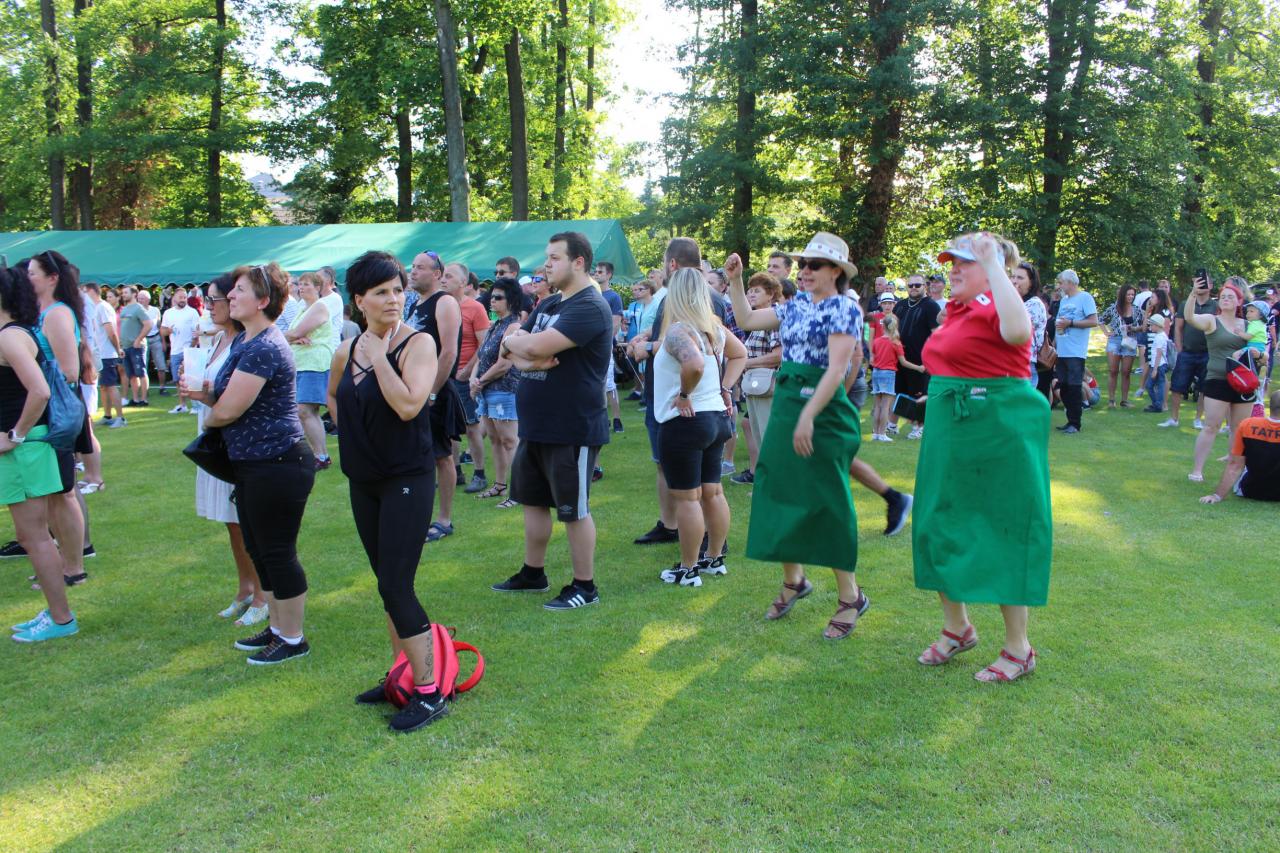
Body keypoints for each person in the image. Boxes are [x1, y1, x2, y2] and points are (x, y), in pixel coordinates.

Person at [913, 232, 1049, 683]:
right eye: (951, 261)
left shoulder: (999, 303)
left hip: (997, 431)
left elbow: (1019, 333)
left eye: (964, 262)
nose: (953, 268)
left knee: (1004, 529)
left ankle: (1019, 648)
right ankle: (957, 627)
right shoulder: (957, 309)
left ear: (991, 268)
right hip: (953, 427)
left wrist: (993, 264)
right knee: (938, 524)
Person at [726, 232, 870, 640]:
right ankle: (794, 580)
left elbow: (837, 369)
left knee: (827, 499)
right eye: (802, 264)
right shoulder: (797, 304)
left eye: (814, 265)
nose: (804, 271)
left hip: (821, 409)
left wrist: (809, 415)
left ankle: (850, 597)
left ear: (836, 271)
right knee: (777, 488)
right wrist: (735, 281)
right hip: (790, 400)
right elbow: (747, 320)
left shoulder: (845, 307)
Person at [329, 251, 449, 732]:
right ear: (359, 300)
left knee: (397, 584)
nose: (393, 299)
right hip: (365, 480)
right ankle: (402, 674)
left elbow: (408, 405)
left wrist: (379, 355)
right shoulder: (346, 350)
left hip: (406, 479)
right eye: (381, 292)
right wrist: (355, 436)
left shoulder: (418, 343)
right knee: (385, 584)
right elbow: (335, 396)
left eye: (398, 290)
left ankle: (429, 692)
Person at [185, 262, 316, 665]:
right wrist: (207, 397)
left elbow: (231, 410)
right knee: (259, 549)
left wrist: (211, 416)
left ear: (262, 300)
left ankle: (293, 638)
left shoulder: (264, 347)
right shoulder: (246, 340)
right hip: (253, 463)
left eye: (240, 290)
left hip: (278, 462)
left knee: (277, 552)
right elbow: (227, 400)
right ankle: (277, 628)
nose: (231, 295)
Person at [489, 231, 613, 610]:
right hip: (537, 424)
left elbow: (534, 345)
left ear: (579, 262)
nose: (546, 264)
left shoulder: (589, 306)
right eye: (547, 257)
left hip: (572, 426)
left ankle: (585, 587)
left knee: (573, 510)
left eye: (554, 257)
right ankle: (533, 573)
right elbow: (512, 346)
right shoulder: (550, 303)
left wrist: (523, 348)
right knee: (532, 501)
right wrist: (521, 353)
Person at [650, 268, 747, 587]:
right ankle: (713, 559)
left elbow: (694, 364)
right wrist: (725, 387)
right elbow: (740, 354)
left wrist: (683, 395)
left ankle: (688, 568)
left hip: (686, 422)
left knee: (688, 498)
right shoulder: (713, 328)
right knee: (713, 491)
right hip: (716, 418)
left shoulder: (679, 330)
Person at [2, 267, 80, 643]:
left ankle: (62, 619)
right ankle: (56, 613)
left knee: (35, 537)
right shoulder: (15, 332)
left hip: (26, 449)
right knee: (31, 534)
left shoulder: (9, 337)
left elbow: (41, 391)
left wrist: (15, 435)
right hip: (28, 448)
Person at [193, 275, 268, 627]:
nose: (210, 307)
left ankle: (263, 595)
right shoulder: (219, 339)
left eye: (215, 300)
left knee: (245, 523)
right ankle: (245, 588)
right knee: (231, 522)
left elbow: (238, 398)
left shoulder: (246, 342)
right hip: (215, 434)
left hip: (233, 439)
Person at [25, 253, 92, 579]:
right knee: (51, 491)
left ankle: (73, 566)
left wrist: (32, 378)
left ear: (52, 278)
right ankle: (60, 561)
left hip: (58, 409)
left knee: (63, 492)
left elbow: (69, 371)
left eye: (33, 273)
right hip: (46, 407)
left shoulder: (58, 314)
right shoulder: (42, 312)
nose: (27, 278)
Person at [406, 250, 466, 543]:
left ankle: (444, 520)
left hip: (434, 393)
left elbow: (449, 352)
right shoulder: (414, 303)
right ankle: (416, 515)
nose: (413, 271)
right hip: (412, 391)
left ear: (437, 274)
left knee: (441, 457)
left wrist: (432, 391)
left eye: (420, 267)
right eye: (413, 267)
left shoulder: (445, 303)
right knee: (415, 456)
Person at [1186, 280, 1252, 483]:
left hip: (1243, 382)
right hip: (1218, 379)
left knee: (1238, 428)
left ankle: (1234, 471)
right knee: (1211, 426)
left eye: (1230, 296)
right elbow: (1189, 317)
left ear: (1239, 301)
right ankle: (1197, 470)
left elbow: (1261, 349)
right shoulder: (1212, 320)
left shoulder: (1247, 325)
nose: (1226, 299)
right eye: (1223, 297)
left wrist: (1260, 355)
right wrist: (1193, 294)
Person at [469, 277, 522, 507]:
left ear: (511, 300)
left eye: (498, 298)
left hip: (504, 391)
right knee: (495, 440)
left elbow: (504, 364)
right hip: (488, 390)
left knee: (510, 440)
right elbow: (481, 356)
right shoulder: (496, 325)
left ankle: (518, 492)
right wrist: (473, 379)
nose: (492, 301)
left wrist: (479, 381)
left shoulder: (514, 327)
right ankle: (500, 485)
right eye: (492, 297)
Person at [443, 262, 491, 494]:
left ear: (463, 282)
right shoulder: (441, 306)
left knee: (472, 427)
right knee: (449, 429)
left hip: (464, 377)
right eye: (443, 276)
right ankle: (456, 472)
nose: (443, 280)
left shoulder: (475, 308)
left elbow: (484, 345)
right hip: (445, 376)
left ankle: (479, 474)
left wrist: (467, 370)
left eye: (449, 276)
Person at [731, 272, 782, 486]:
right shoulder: (756, 321)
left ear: (771, 294)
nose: (751, 294)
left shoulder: (773, 320)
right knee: (760, 437)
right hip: (754, 387)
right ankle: (766, 484)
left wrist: (746, 363)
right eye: (750, 290)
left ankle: (774, 485)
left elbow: (778, 356)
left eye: (757, 291)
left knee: (770, 439)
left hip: (768, 387)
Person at [283, 272, 338, 469]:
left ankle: (320, 456)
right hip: (302, 363)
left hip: (314, 364)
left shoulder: (319, 307)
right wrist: (293, 337)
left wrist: (291, 336)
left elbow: (296, 332)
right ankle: (320, 455)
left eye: (307, 284)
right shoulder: (303, 309)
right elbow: (294, 334)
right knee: (306, 412)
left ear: (317, 288)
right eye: (300, 284)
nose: (302, 287)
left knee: (305, 410)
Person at [1199, 389, 1280, 504]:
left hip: (1250, 490)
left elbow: (1235, 465)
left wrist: (1217, 496)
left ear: (1270, 406)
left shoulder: (1247, 425)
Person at [1161, 276, 1217, 428]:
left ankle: (1198, 419)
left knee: (1204, 388)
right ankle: (1174, 419)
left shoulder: (1215, 306)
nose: (1201, 285)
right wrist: (1179, 348)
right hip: (1187, 352)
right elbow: (1178, 328)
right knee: (1177, 386)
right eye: (1199, 282)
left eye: (1205, 282)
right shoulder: (1186, 304)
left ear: (1211, 286)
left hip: (1207, 353)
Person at [892, 273, 941, 438]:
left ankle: (918, 429)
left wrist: (933, 359)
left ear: (925, 287)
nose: (914, 288)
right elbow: (891, 330)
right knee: (899, 392)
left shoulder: (931, 306)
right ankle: (892, 426)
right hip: (899, 358)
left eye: (917, 285)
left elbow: (937, 335)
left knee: (918, 395)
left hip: (921, 361)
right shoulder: (900, 305)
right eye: (910, 285)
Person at [1051, 269, 1098, 433]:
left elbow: (1094, 321)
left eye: (1061, 282)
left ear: (1070, 282)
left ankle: (1075, 423)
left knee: (1074, 387)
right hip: (1062, 351)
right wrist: (1054, 346)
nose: (1059, 286)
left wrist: (1070, 323)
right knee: (1063, 387)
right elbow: (1059, 324)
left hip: (1075, 351)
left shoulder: (1085, 297)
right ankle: (1070, 420)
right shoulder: (1064, 300)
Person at [870, 314, 923, 441]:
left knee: (877, 405)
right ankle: (882, 434)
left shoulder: (877, 341)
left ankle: (876, 433)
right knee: (885, 406)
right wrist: (918, 368)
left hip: (876, 373)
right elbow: (903, 362)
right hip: (888, 374)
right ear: (896, 326)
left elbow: (873, 358)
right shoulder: (896, 343)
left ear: (883, 326)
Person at [84, 283, 125, 429]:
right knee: (103, 386)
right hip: (99, 353)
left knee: (111, 385)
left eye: (85, 292)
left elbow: (111, 331)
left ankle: (120, 418)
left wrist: (118, 349)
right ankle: (107, 416)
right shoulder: (97, 307)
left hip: (107, 353)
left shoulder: (103, 307)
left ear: (92, 291)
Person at [1099, 284, 1144, 408]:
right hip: (1115, 340)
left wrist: (1134, 328)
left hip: (1130, 341)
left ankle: (1124, 400)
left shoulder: (1136, 310)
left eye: (1132, 295)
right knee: (1113, 371)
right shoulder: (1113, 308)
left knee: (1126, 372)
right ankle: (1111, 400)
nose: (1130, 297)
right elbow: (1101, 320)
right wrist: (1107, 332)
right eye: (1128, 294)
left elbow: (1143, 325)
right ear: (1123, 294)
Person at [1011, 262, 1051, 399]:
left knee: (1019, 407)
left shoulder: (1034, 304)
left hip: (1023, 364)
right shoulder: (1015, 302)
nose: (1015, 281)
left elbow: (1014, 327)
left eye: (1020, 278)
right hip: (1009, 363)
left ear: (1031, 282)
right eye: (1013, 277)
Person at [161, 287, 201, 414]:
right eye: (181, 297)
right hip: (175, 351)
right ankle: (182, 405)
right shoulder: (168, 313)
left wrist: (192, 348)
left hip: (189, 350)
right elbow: (162, 331)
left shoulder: (192, 312)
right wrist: (169, 330)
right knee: (178, 380)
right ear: (174, 298)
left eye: (185, 297)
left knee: (191, 380)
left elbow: (197, 332)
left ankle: (196, 406)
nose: (183, 299)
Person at [118, 286, 152, 407]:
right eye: (122, 293)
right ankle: (136, 399)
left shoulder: (138, 308)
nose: (123, 294)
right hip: (126, 347)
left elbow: (149, 324)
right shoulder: (124, 309)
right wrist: (120, 344)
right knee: (131, 375)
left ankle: (144, 399)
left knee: (141, 373)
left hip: (137, 347)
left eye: (125, 292)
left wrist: (139, 339)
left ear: (134, 294)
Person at [138, 290, 166, 396]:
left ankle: (162, 388)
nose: (140, 300)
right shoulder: (137, 311)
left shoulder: (155, 310)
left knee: (161, 365)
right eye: (139, 298)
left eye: (142, 298)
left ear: (148, 300)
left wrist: (163, 341)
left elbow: (159, 326)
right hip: (143, 339)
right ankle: (145, 390)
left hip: (156, 338)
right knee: (143, 365)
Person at [1142, 314, 1171, 413]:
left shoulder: (1160, 337)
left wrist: (1154, 369)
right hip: (1157, 365)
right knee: (1155, 385)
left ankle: (1158, 405)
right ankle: (1157, 404)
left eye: (1152, 325)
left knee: (1153, 385)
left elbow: (1159, 353)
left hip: (1158, 366)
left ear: (1157, 325)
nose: (1150, 327)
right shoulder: (1161, 336)